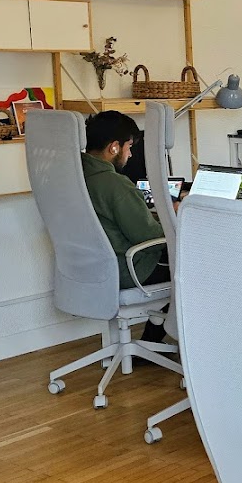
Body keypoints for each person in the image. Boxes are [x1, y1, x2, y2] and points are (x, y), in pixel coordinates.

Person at [82, 110, 168, 341]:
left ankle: (152, 341)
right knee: (193, 267)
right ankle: (156, 342)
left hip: (90, 268)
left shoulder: (74, 176)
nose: (130, 154)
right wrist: (175, 221)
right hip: (128, 270)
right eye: (129, 147)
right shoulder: (115, 184)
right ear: (114, 147)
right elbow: (149, 238)